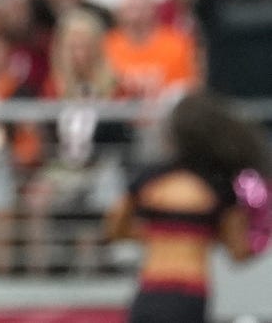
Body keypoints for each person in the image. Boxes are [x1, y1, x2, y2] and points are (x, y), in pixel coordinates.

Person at [104, 90, 272, 323]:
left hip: (150, 290)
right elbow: (238, 252)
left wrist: (157, 235)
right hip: (190, 294)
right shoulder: (219, 190)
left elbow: (114, 227)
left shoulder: (149, 182)